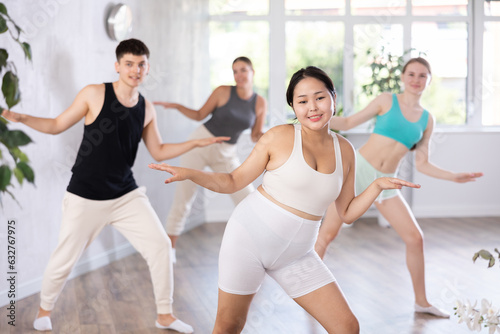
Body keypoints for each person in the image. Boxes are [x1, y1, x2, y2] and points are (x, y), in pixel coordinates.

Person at [149, 66, 421, 334]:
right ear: (293, 106)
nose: (312, 107)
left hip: (298, 256)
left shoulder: (345, 151)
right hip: (248, 241)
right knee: (228, 326)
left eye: (320, 97)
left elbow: (347, 212)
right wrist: (190, 173)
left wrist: (375, 186)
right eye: (302, 101)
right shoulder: (279, 137)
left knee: (347, 327)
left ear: (333, 100)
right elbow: (233, 181)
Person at [1, 38, 230, 333]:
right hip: (85, 195)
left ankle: (164, 315)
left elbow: (158, 149)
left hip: (125, 194)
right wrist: (20, 117)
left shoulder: (146, 108)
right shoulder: (94, 94)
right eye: (129, 64)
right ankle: (45, 309)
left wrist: (196, 142)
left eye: (141, 64)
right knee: (64, 257)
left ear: (147, 68)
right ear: (118, 66)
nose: (136, 70)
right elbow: (57, 125)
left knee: (160, 245)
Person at [314, 57, 483, 318]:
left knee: (415, 238)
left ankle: (421, 301)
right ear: (403, 77)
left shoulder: (427, 120)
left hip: (388, 180)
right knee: (327, 235)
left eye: (422, 76)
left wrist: (453, 176)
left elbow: (422, 163)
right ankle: (310, 292)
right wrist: (314, 115)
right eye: (412, 74)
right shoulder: (386, 100)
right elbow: (348, 123)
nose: (416, 80)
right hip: (359, 170)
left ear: (428, 80)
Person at [153, 56, 267, 260]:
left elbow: (255, 135)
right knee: (184, 198)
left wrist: (273, 136)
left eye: (243, 70)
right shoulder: (223, 91)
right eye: (235, 71)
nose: (239, 75)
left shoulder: (259, 102)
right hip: (201, 143)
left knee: (247, 198)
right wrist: (177, 106)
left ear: (252, 72)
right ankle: (168, 251)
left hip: (227, 153)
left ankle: (260, 249)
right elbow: (199, 115)